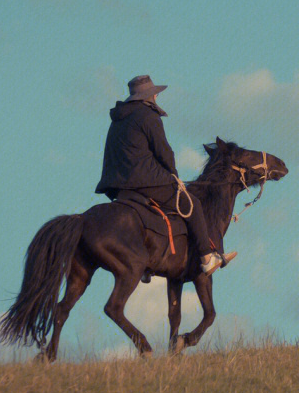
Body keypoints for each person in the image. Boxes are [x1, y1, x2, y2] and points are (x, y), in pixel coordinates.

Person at [95, 75, 235, 276]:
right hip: (145, 180)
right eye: (155, 94)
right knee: (192, 204)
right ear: (152, 95)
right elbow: (164, 152)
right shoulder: (148, 116)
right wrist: (173, 176)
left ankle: (146, 262)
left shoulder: (118, 120)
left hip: (118, 185)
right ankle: (207, 256)